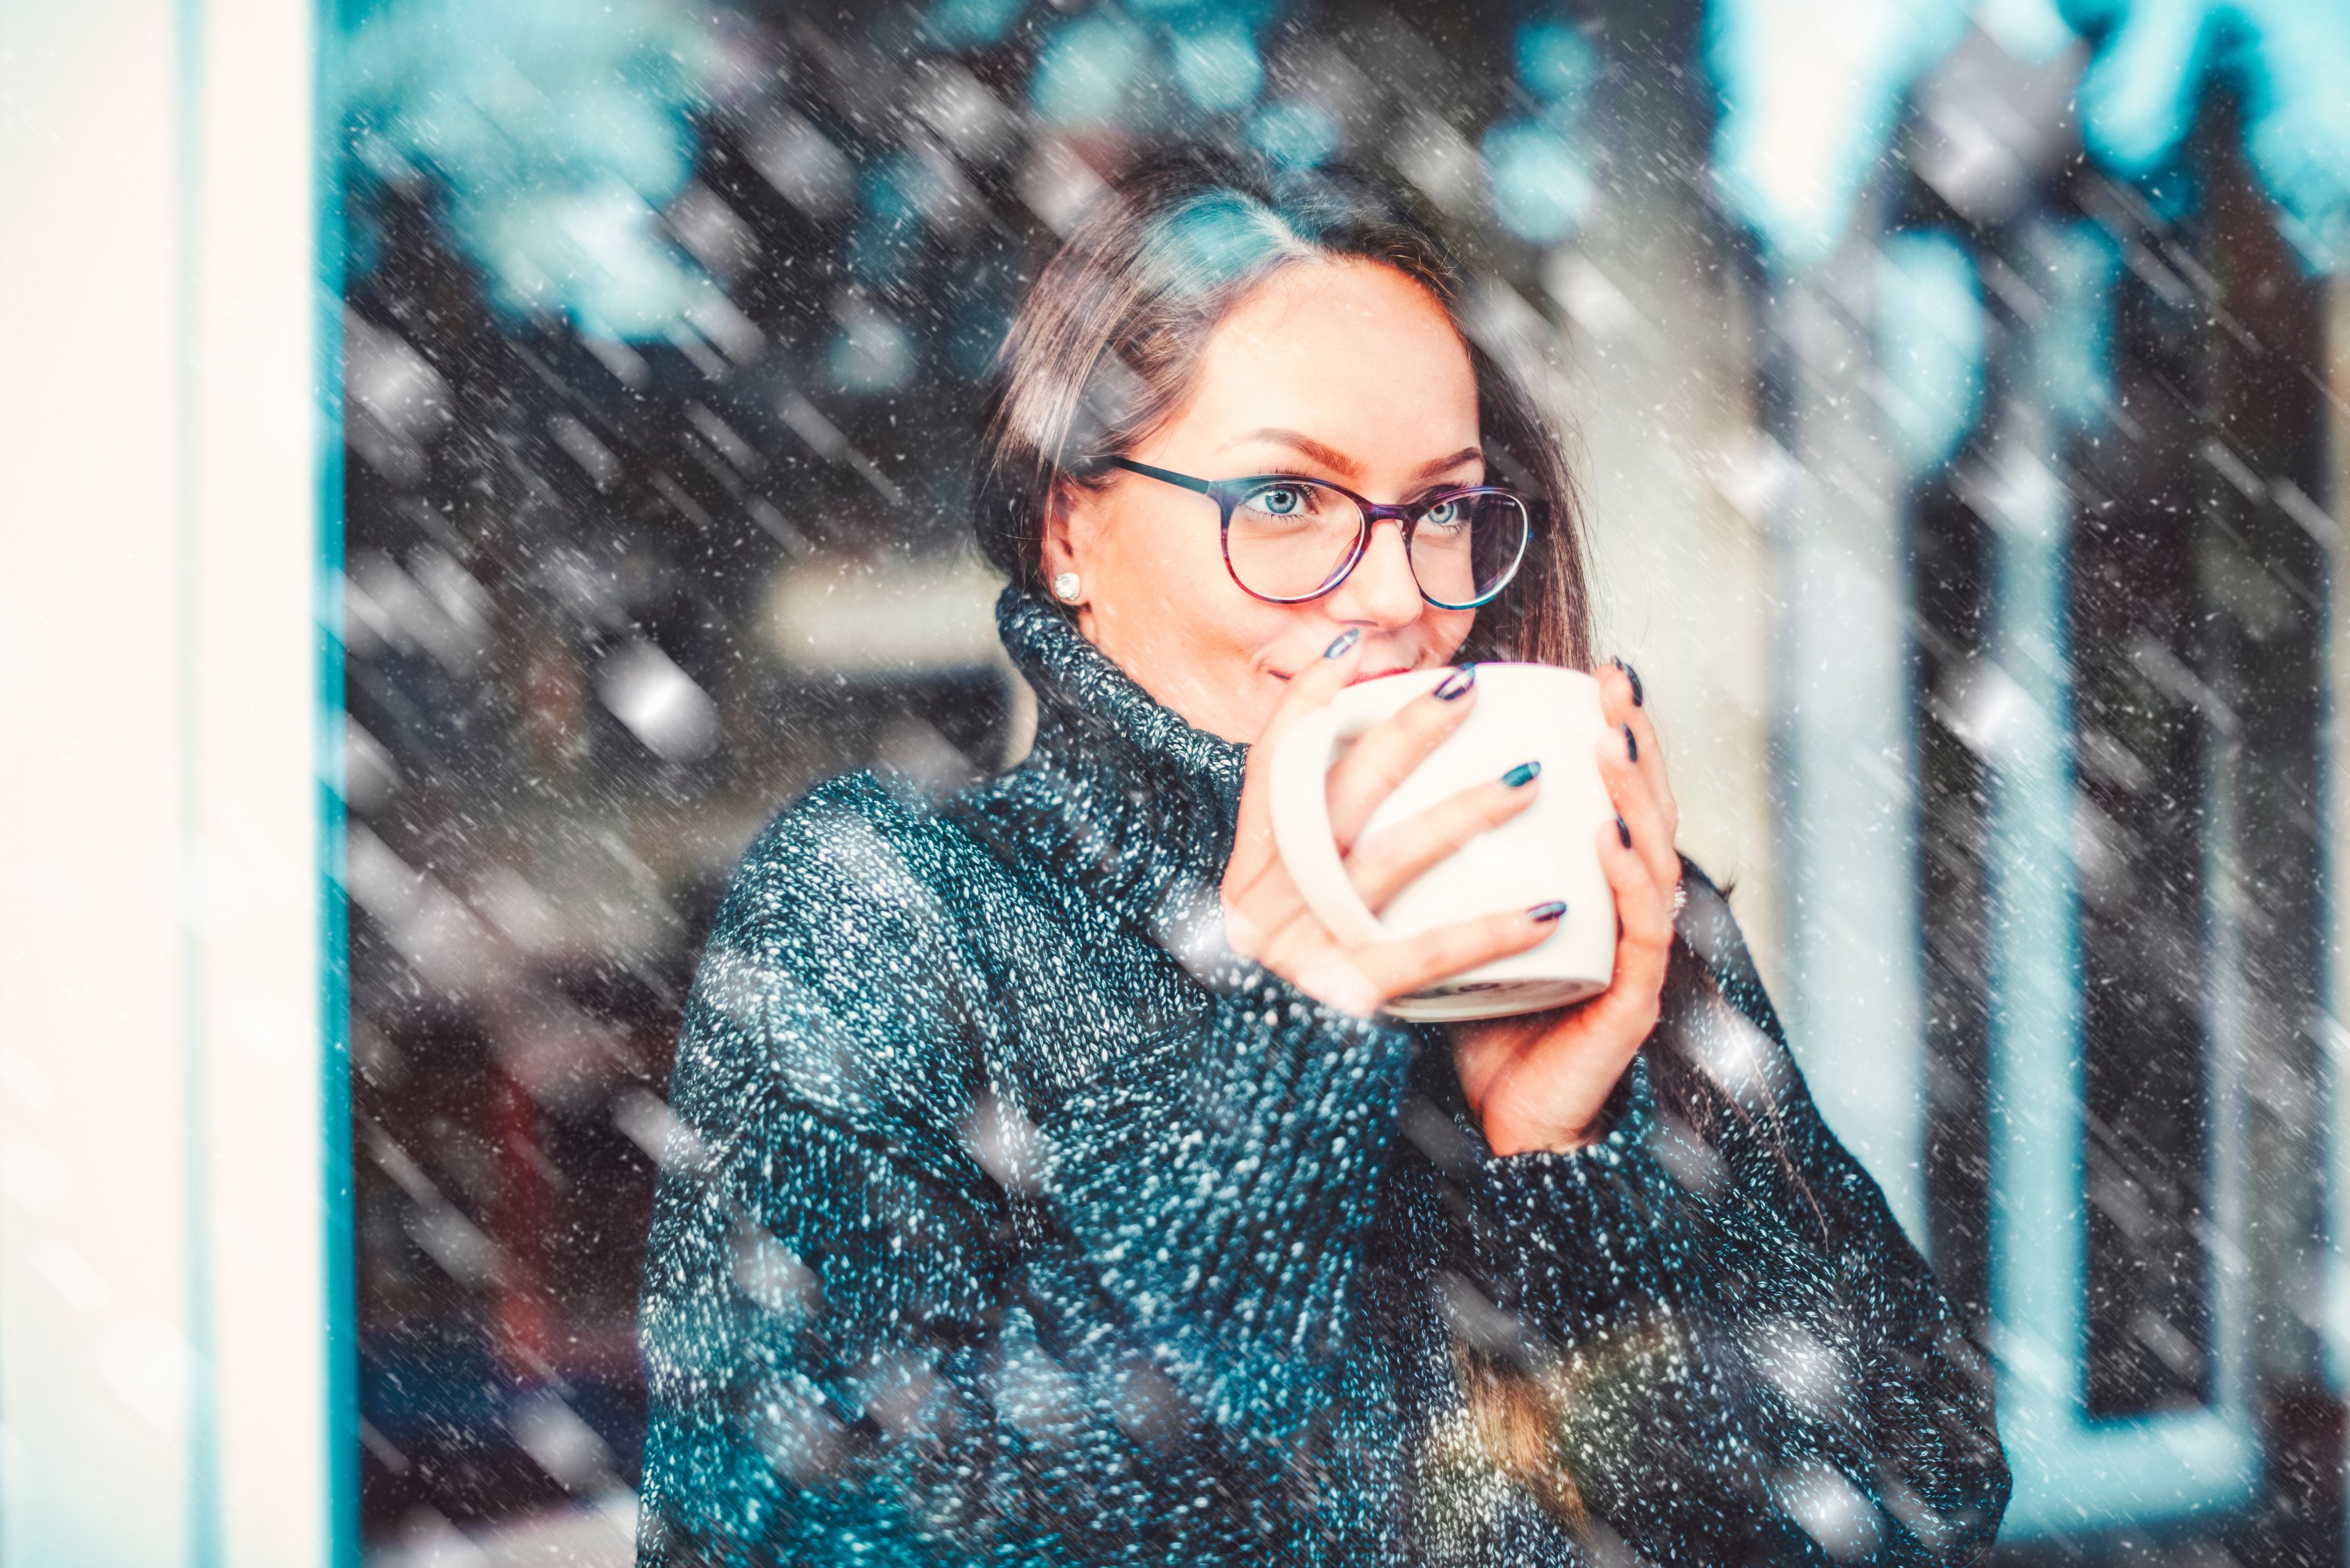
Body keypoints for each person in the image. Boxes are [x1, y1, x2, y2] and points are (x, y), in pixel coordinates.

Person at [634, 146, 2009, 1565]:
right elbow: (803, 1532)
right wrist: (1283, 1040)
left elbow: (1924, 1499)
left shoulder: (1611, 915)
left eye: (1442, 512)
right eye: (1288, 501)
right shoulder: (898, 906)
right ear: (1069, 529)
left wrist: (1571, 1172)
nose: (1398, 597)